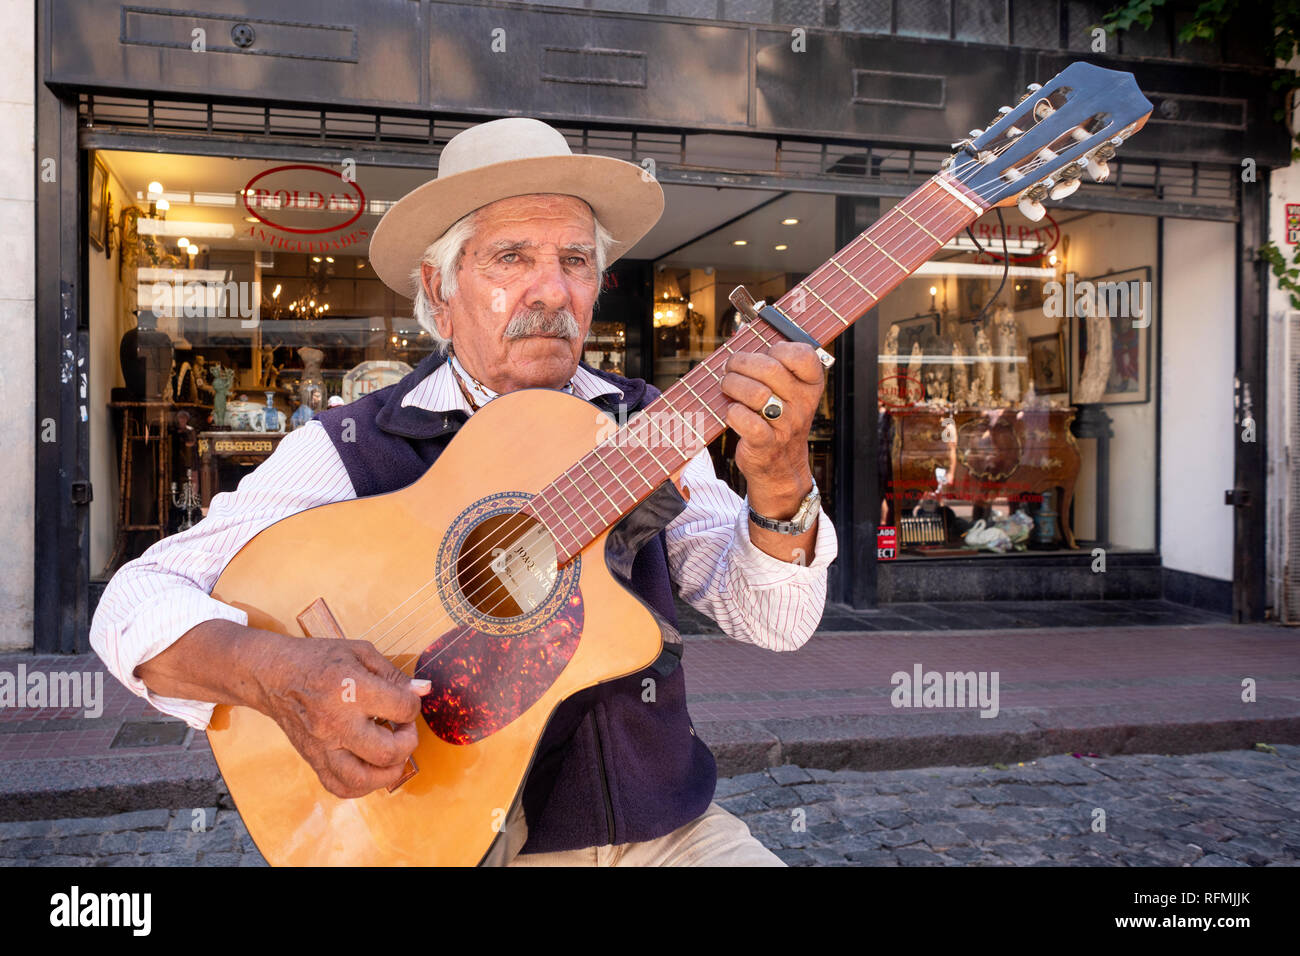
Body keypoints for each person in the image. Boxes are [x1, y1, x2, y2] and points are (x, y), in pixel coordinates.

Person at [90, 117, 837, 866]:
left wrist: (778, 479)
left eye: (576, 260)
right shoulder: (355, 443)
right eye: (512, 257)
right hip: (454, 842)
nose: (552, 291)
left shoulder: (649, 423)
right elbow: (133, 603)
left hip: (666, 834)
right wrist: (285, 678)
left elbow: (776, 622)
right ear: (438, 291)